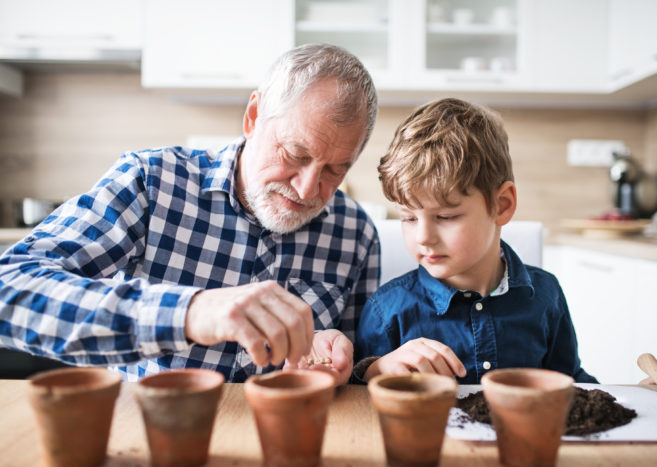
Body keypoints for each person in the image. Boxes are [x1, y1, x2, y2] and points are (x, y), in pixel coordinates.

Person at [0, 43, 380, 385]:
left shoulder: (356, 233)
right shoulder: (151, 182)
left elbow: (359, 367)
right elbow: (9, 290)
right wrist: (191, 312)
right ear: (252, 117)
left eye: (335, 170)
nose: (307, 190)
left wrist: (341, 358)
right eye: (295, 154)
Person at [351, 97, 597, 385]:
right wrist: (377, 370)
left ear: (502, 205)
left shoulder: (546, 295)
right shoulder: (386, 310)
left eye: (445, 217)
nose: (423, 237)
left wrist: (638, 398)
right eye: (409, 218)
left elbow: (572, 384)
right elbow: (360, 404)